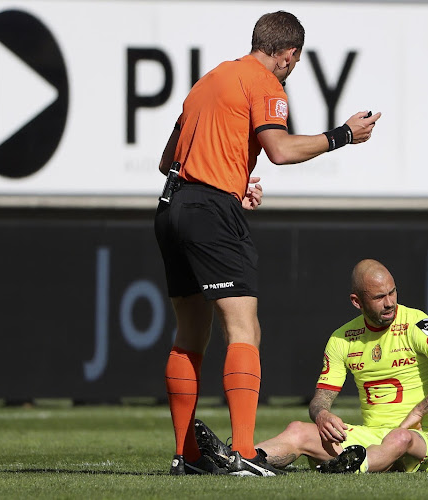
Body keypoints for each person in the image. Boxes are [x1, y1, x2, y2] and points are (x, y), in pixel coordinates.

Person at [154, 11, 382, 477]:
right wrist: (343, 135)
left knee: (188, 336)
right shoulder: (264, 83)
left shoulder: (209, 80)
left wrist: (232, 182)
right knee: (244, 331)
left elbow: (167, 160)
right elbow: (279, 150)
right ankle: (241, 454)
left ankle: (185, 456)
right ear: (289, 55)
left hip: (172, 205)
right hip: (209, 211)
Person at [195, 259, 428, 474]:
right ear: (357, 301)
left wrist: (418, 411)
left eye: (392, 293)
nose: (389, 303)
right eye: (379, 298)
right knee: (298, 430)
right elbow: (320, 400)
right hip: (370, 439)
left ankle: (352, 467)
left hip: (422, 439)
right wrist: (322, 415)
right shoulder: (342, 339)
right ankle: (236, 458)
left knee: (399, 438)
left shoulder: (416, 324)